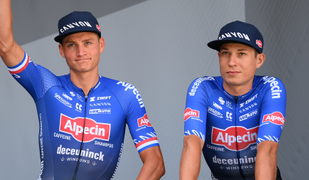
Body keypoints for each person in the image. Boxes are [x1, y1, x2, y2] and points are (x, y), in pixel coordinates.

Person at [0, 0, 165, 179]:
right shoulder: (46, 85)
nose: (81, 52)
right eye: (71, 44)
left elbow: (155, 163)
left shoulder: (125, 94)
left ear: (101, 45)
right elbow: (6, 46)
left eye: (88, 43)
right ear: (61, 50)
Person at [179, 20, 286, 180]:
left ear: (259, 60)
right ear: (218, 56)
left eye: (241, 53)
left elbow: (268, 149)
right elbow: (192, 143)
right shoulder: (203, 88)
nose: (231, 62)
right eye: (225, 53)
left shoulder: (270, 87)